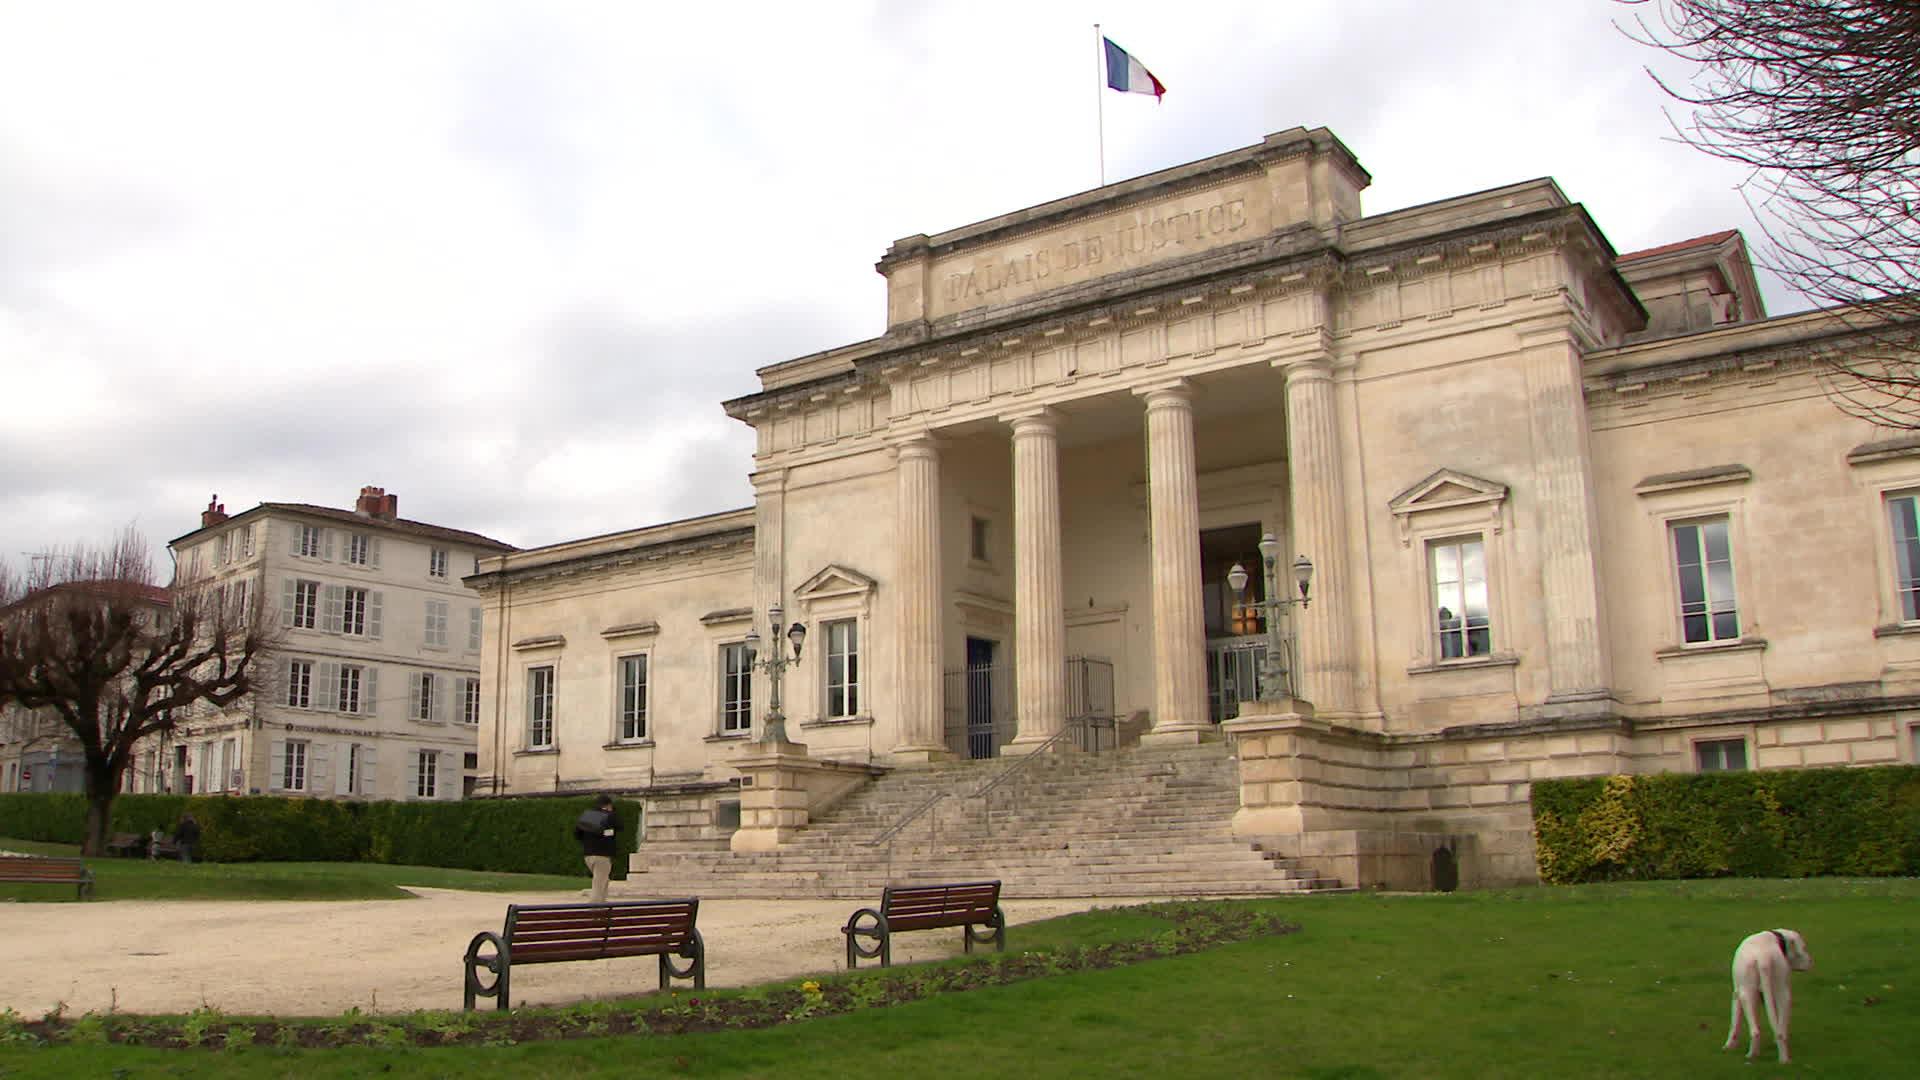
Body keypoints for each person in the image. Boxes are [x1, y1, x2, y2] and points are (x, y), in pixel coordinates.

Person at [574, 795, 621, 902]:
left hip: (588, 855)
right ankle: (594, 909)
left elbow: (577, 834)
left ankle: (602, 904)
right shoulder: (609, 815)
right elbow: (619, 826)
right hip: (602, 855)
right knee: (599, 884)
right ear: (608, 805)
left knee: (603, 881)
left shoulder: (586, 815)